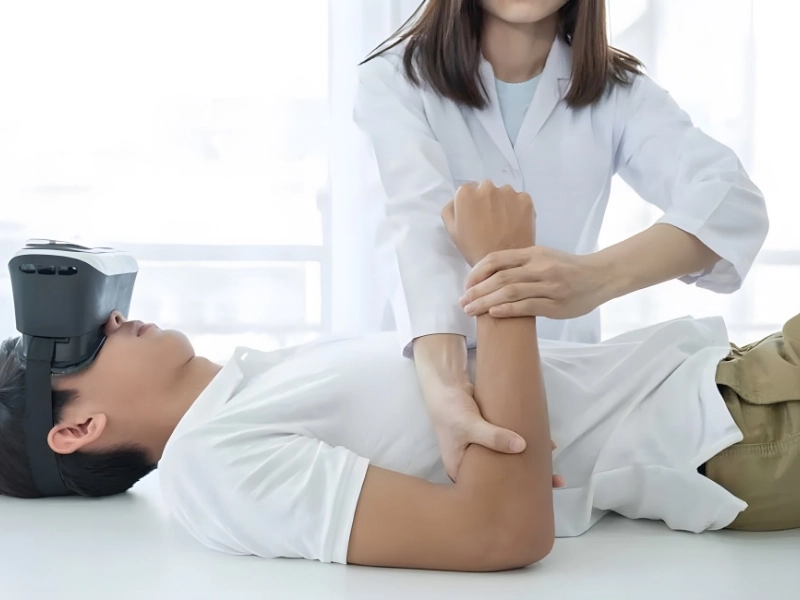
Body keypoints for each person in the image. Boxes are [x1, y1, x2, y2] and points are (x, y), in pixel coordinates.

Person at [0, 184, 795, 573]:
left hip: (730, 378)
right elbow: (501, 533)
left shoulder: (250, 390)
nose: (114, 319)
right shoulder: (215, 466)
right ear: (77, 429)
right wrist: (500, 269)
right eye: (83, 345)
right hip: (733, 430)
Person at [354, 0, 770, 481]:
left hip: (564, 397)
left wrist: (594, 279)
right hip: (424, 391)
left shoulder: (618, 92)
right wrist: (448, 392)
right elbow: (417, 230)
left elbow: (732, 200)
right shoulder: (395, 79)